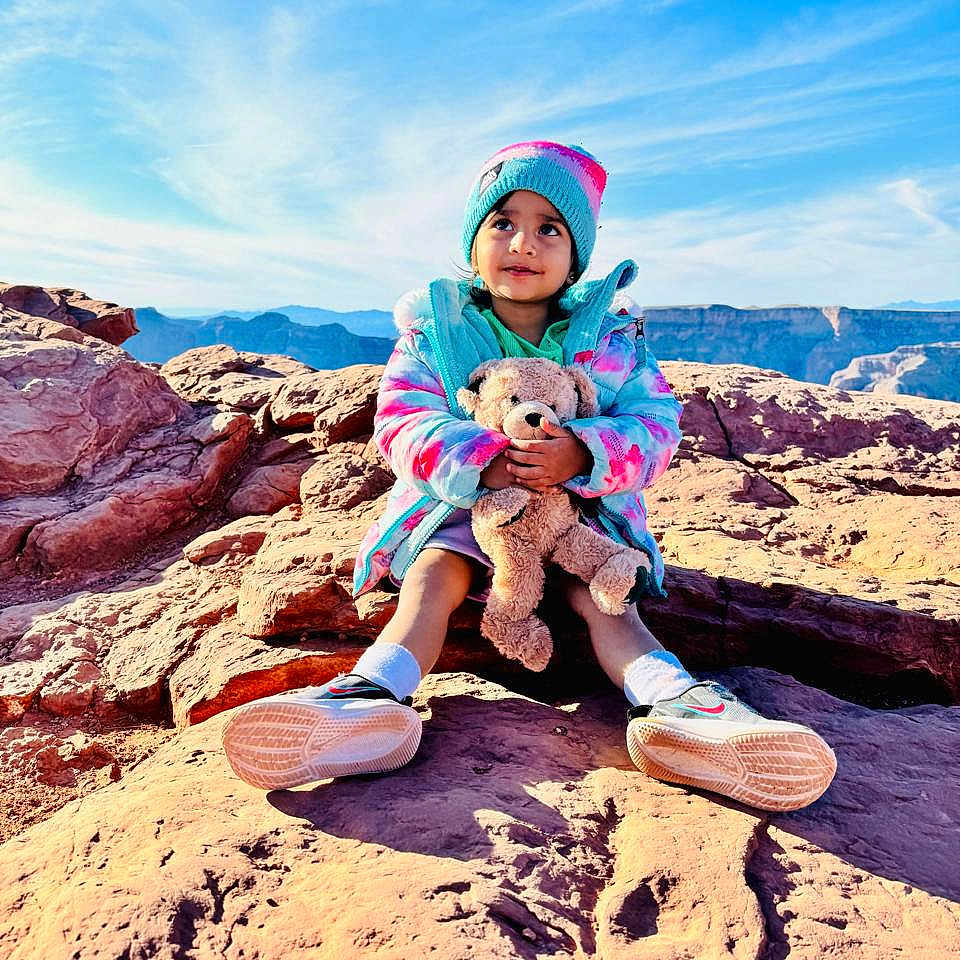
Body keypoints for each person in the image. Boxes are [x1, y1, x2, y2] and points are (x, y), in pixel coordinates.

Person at [222, 141, 836, 812]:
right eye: (503, 222)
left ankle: (676, 706)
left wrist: (584, 452)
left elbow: (657, 424)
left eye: (551, 228)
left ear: (576, 255)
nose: (524, 242)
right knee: (430, 579)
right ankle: (373, 695)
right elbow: (400, 422)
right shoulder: (432, 335)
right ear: (473, 239)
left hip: (579, 515)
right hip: (462, 513)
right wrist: (478, 460)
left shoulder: (613, 340)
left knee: (606, 594)